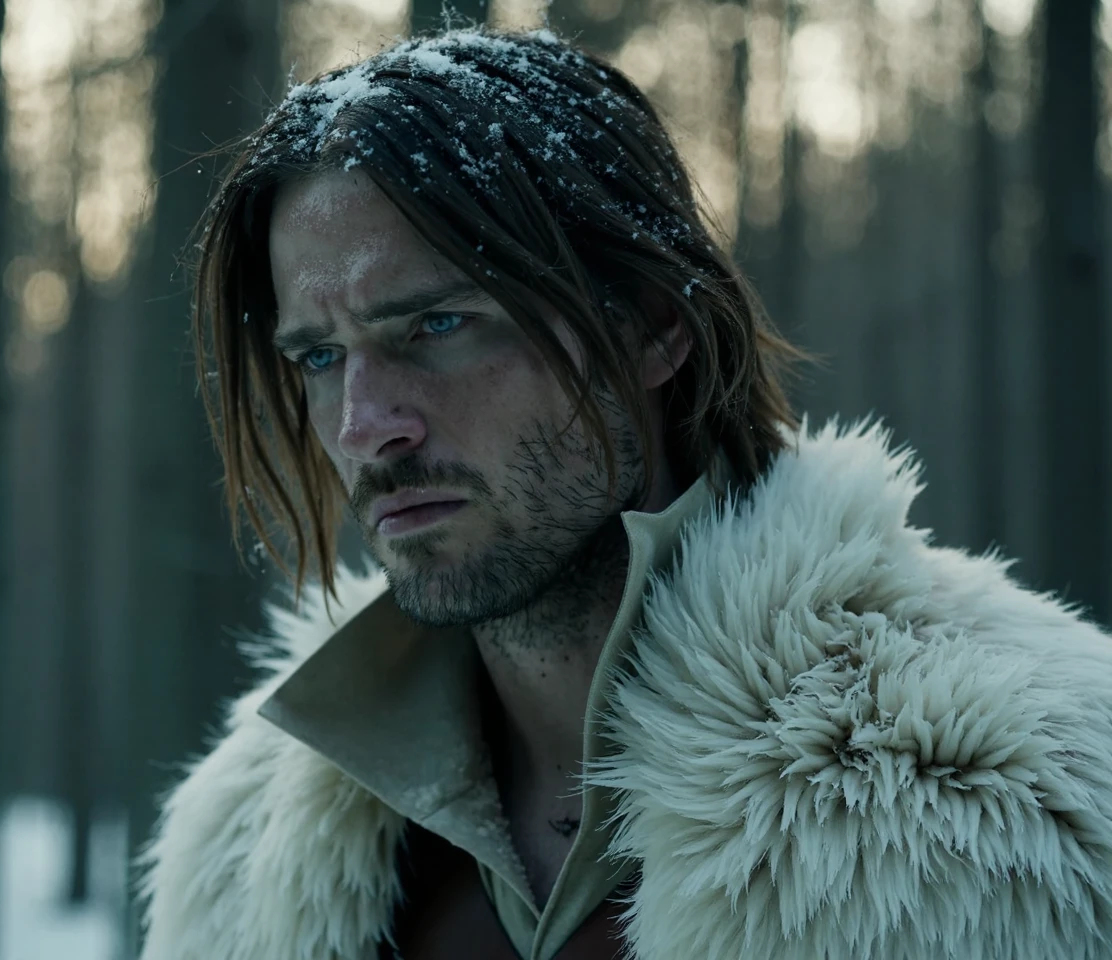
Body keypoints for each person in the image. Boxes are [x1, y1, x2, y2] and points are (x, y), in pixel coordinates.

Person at [135, 26, 1112, 960]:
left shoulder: (1030, 810)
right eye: (318, 356)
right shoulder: (242, 853)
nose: (362, 425)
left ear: (651, 326)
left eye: (435, 327)